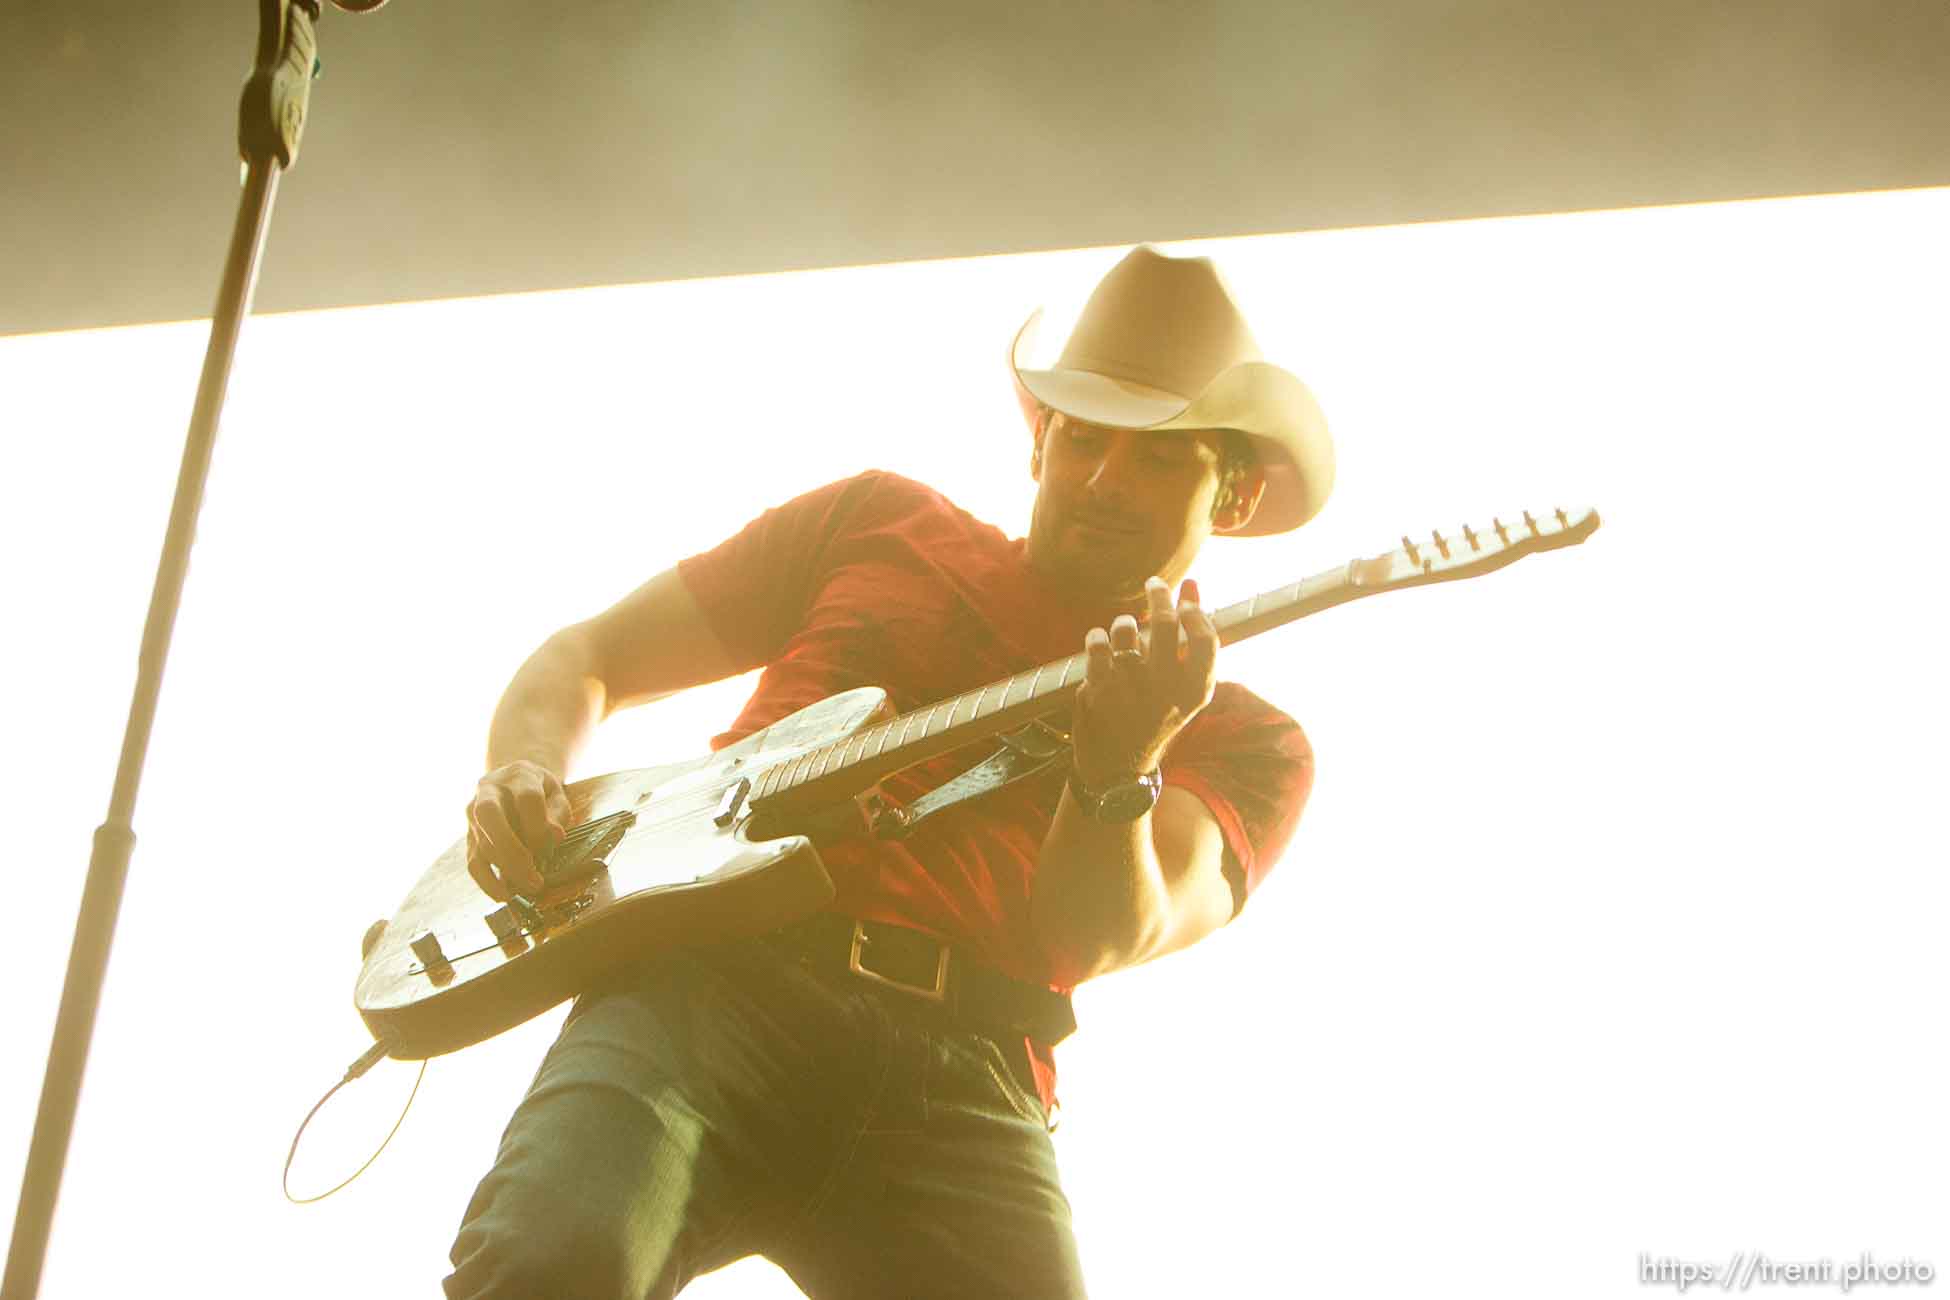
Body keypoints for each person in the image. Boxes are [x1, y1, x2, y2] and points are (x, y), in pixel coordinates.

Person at [443, 245, 1334, 1299]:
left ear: (1230, 496)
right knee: (554, 1261)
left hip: (967, 1070)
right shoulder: (876, 522)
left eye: (1157, 456)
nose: (1102, 478)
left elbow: (1097, 933)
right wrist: (521, 771)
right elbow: (584, 659)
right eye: (1081, 439)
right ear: (1037, 445)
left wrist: (1120, 763)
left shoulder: (1247, 740)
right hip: (703, 987)